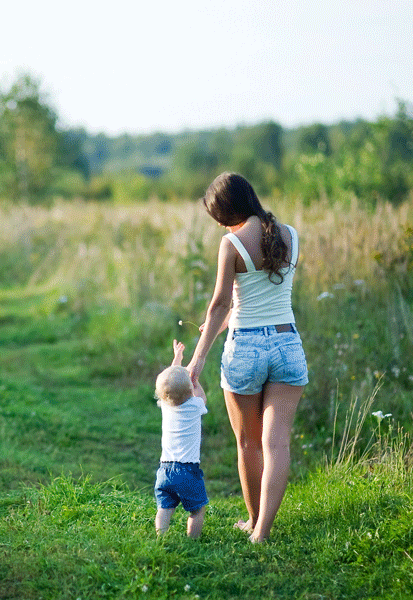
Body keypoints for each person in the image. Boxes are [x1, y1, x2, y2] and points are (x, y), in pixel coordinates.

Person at [187, 172, 308, 543]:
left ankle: (253, 521)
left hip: (246, 350)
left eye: (219, 214)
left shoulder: (231, 243)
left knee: (249, 444)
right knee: (278, 445)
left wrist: (196, 361)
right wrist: (221, 325)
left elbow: (221, 304)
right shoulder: (290, 236)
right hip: (288, 345)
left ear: (229, 209)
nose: (219, 223)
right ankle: (263, 532)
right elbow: (260, 301)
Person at [154, 338, 209, 538]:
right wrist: (196, 380)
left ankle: (161, 537)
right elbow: (202, 398)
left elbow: (170, 383)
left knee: (165, 508)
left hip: (164, 470)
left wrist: (177, 358)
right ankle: (192, 541)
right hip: (187, 470)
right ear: (190, 389)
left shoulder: (166, 405)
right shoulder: (195, 406)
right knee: (197, 510)